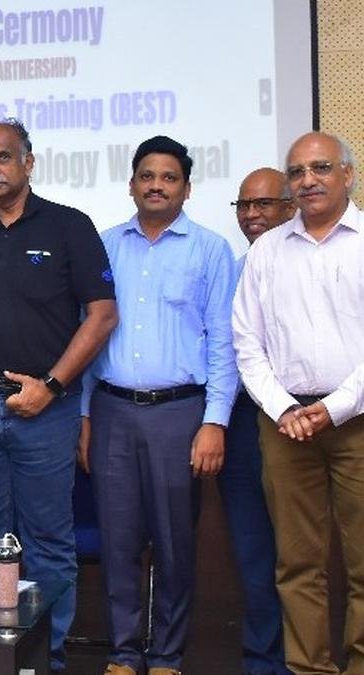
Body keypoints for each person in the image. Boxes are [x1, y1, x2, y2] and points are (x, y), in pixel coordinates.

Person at [0, 118, 116, 671]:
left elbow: (103, 315)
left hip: (47, 410)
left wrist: (51, 387)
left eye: (3, 157)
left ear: (29, 162)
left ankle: (42, 657)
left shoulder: (69, 226)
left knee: (49, 540)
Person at [81, 136, 237, 675]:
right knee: (117, 539)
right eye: (146, 176)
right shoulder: (103, 247)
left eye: (169, 178)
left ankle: (167, 656)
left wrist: (215, 421)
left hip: (180, 414)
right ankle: (124, 654)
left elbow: (223, 343)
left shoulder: (211, 250)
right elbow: (88, 337)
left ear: (187, 189)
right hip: (112, 411)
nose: (156, 186)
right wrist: (84, 415)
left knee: (174, 542)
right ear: (131, 185)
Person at [233, 132, 364, 675]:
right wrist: (284, 409)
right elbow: (247, 342)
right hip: (284, 427)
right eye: (297, 172)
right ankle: (310, 669)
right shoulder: (267, 251)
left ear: (347, 174)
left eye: (320, 168)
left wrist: (335, 407)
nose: (308, 180)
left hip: (357, 422)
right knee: (297, 565)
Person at [222, 168, 293, 675]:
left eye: (264, 204)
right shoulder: (236, 269)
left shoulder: (317, 261)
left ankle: (306, 661)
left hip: (310, 418)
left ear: (291, 207)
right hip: (246, 420)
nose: (252, 215)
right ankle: (263, 663)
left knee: (305, 552)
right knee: (254, 553)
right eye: (244, 205)